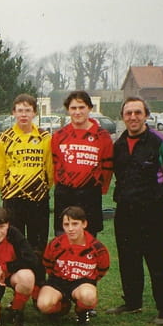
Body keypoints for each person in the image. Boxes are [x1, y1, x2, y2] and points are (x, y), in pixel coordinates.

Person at [106, 96, 163, 325]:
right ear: (122, 117)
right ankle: (133, 302)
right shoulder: (119, 145)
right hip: (125, 211)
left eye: (138, 112)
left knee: (157, 259)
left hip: (152, 213)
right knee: (128, 259)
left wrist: (162, 199)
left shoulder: (160, 142)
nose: (133, 117)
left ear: (146, 115)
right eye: (128, 113)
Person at [0, 93, 53, 257]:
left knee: (38, 245)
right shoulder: (5, 138)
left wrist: (40, 188)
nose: (23, 114)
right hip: (13, 199)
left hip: (38, 198)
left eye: (28, 110)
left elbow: (49, 168)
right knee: (15, 243)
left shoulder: (44, 137)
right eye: (20, 110)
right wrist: (7, 189)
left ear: (34, 113)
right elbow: (0, 168)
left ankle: (38, 273)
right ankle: (17, 273)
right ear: (13, 112)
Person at [50, 90, 113, 238]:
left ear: (89, 108)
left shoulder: (103, 136)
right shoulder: (59, 135)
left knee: (88, 239)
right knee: (63, 237)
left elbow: (107, 168)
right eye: (73, 108)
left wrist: (99, 187)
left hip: (90, 195)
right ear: (68, 110)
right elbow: (54, 164)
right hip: (65, 195)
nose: (77, 112)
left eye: (81, 107)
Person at [37, 206, 110, 326]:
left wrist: (88, 281)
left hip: (82, 282)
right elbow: (48, 264)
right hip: (58, 280)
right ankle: (63, 306)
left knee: (88, 296)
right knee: (44, 305)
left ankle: (81, 311)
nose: (70, 229)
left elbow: (102, 269)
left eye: (75, 224)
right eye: (66, 224)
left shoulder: (97, 248)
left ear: (84, 224)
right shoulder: (56, 244)